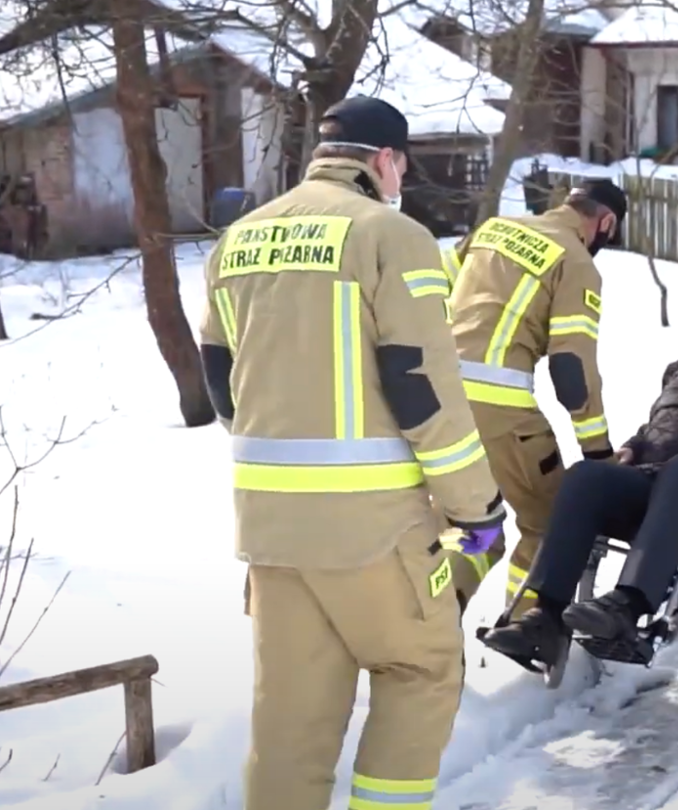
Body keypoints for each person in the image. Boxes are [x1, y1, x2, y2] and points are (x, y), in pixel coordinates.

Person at [198, 96, 507, 810]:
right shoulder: (391, 235)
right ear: (386, 160)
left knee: (290, 721)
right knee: (421, 671)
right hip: (376, 531)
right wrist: (476, 507)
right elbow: (421, 385)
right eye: (403, 166)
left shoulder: (238, 238)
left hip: (270, 532)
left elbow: (219, 384)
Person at [480, 275, 678, 671]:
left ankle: (627, 606)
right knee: (587, 475)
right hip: (656, 478)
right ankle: (544, 619)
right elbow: (660, 422)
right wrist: (635, 446)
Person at [443, 179, 628, 619]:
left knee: (470, 523)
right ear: (606, 222)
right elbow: (572, 370)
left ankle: (430, 625)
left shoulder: (492, 229)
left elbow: (432, 291)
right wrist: (598, 455)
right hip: (499, 409)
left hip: (436, 403)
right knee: (552, 522)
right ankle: (524, 632)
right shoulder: (576, 261)